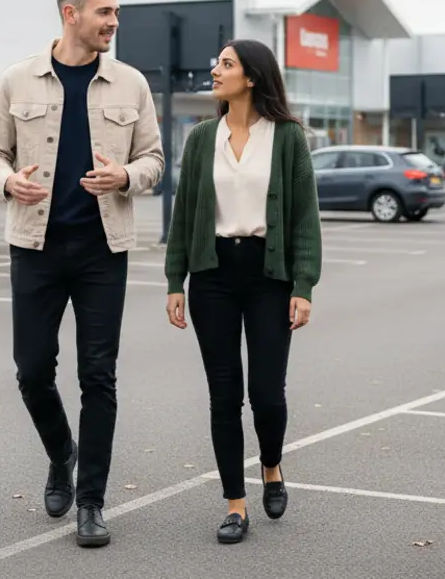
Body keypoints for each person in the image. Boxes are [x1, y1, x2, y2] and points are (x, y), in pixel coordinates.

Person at [0, 0, 165, 548]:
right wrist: (9, 182)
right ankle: (63, 453)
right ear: (70, 13)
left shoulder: (131, 84)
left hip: (102, 250)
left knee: (98, 376)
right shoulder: (16, 80)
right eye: (104, 12)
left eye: (115, 13)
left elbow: (154, 160)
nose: (112, 22)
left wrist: (125, 176)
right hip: (34, 246)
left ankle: (91, 503)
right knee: (32, 371)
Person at [163, 39, 323, 544]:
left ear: (251, 77)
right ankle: (235, 504)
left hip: (268, 276)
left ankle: (271, 465)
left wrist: (304, 285)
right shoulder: (201, 137)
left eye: (226, 64)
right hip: (212, 274)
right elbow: (185, 214)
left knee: (267, 396)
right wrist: (175, 281)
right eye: (217, 62)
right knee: (224, 394)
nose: (215, 69)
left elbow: (303, 217)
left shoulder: (288, 138)